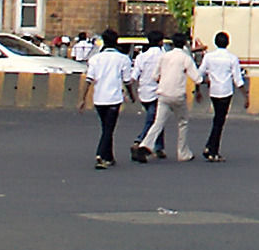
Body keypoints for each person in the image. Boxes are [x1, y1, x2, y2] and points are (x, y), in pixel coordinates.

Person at [141, 35, 201, 162]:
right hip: (178, 95)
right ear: (184, 44)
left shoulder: (164, 56)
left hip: (163, 94)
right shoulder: (185, 58)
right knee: (183, 122)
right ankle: (183, 152)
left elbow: (155, 76)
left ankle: (146, 145)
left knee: (158, 122)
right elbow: (197, 78)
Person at [86, 30, 132, 168]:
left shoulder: (95, 59)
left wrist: (82, 99)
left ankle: (109, 156)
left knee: (106, 127)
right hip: (114, 98)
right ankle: (100, 154)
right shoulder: (123, 59)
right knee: (109, 128)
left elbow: (89, 80)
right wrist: (132, 94)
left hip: (99, 98)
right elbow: (127, 81)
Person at [200, 31, 244, 163]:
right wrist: (246, 95)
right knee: (219, 122)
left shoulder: (209, 57)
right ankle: (213, 151)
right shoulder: (232, 58)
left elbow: (200, 73)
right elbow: (238, 80)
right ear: (228, 43)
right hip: (226, 91)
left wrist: (199, 89)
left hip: (214, 91)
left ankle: (209, 146)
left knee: (217, 120)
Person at [127, 33, 166, 162]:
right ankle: (139, 141)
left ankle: (159, 147)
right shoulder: (164, 56)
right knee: (154, 120)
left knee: (158, 118)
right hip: (158, 91)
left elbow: (134, 76)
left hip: (144, 91)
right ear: (160, 42)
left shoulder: (142, 57)